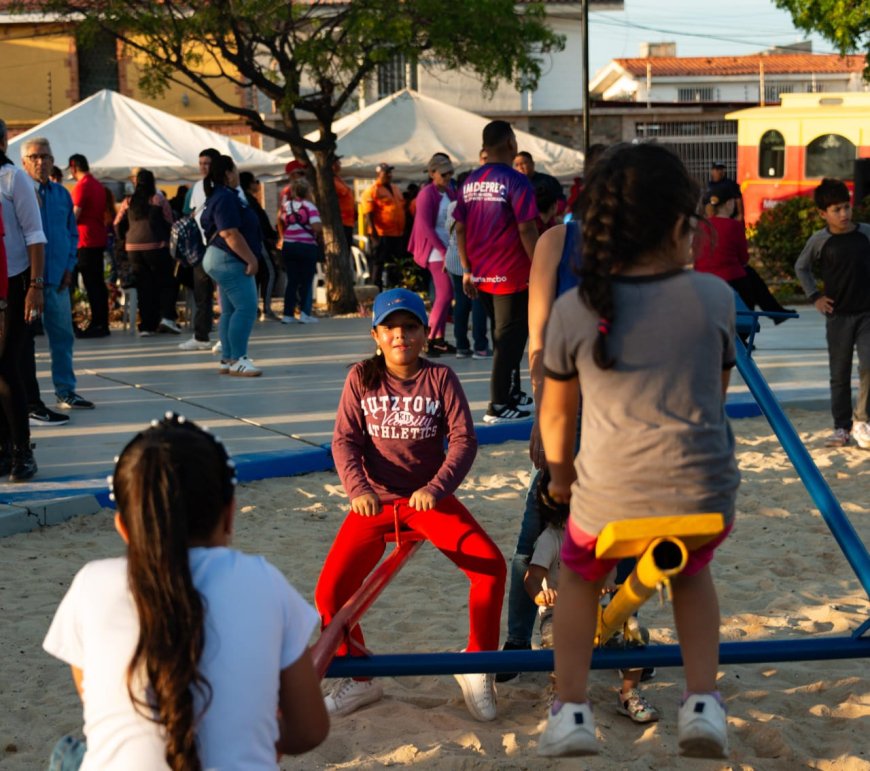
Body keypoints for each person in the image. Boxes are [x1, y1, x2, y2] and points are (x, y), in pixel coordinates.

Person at [536, 143, 739, 759]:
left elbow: (556, 415)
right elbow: (715, 395)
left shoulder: (575, 309)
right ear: (681, 226)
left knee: (580, 576)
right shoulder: (715, 297)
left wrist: (561, 480)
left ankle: (572, 709)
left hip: (611, 498)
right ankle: (702, 701)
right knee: (692, 572)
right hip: (706, 494)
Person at [43, 414, 329, 769]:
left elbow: (96, 704)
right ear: (229, 515)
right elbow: (309, 730)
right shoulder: (264, 582)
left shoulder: (92, 584)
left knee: (68, 753)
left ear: (123, 527)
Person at [315, 288, 506, 722]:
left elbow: (464, 440)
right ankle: (361, 676)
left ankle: (478, 663)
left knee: (491, 567)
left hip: (427, 500)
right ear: (376, 336)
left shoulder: (441, 378)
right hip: (375, 502)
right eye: (390, 328)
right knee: (330, 594)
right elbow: (345, 441)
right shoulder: (361, 378)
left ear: (425, 333)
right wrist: (358, 490)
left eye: (410, 326)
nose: (400, 335)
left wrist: (436, 488)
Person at [454, 120, 538, 423]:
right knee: (509, 341)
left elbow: (459, 228)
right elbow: (527, 228)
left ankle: (513, 393)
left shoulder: (469, 182)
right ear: (511, 144)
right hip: (511, 276)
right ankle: (499, 404)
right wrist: (541, 266)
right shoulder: (517, 181)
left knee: (503, 336)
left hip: (481, 275)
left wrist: (466, 269)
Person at [20, 137, 94, 418]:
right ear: (24, 162)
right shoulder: (18, 192)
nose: (41, 162)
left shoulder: (62, 194)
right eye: (35, 157)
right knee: (21, 344)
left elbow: (71, 233)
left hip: (58, 280)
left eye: (46, 157)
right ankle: (26, 399)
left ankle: (66, 390)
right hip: (26, 283)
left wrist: (69, 266)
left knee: (63, 337)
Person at [794, 177, 870, 449]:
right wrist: (815, 296)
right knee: (839, 373)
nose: (844, 214)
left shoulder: (866, 233)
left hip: (867, 315)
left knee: (869, 366)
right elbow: (801, 267)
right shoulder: (820, 240)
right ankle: (841, 427)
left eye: (846, 207)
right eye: (836, 210)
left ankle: (862, 421)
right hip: (838, 317)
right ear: (822, 214)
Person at [0, 118, 45, 480]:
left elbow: (34, 235)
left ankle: (21, 451)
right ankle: (3, 449)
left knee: (5, 365)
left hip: (14, 283)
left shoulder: (13, 178)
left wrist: (36, 285)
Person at [200, 155, 262, 377]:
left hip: (218, 258)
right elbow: (229, 232)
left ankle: (227, 358)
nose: (237, 174)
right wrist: (251, 259)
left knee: (229, 310)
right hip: (229, 259)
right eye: (235, 170)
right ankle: (238, 359)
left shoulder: (219, 196)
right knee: (246, 308)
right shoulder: (226, 197)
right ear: (228, 173)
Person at [695, 183, 791, 323]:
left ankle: (776, 312)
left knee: (750, 275)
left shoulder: (701, 225)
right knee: (750, 278)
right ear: (729, 203)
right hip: (729, 278)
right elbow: (743, 259)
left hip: (702, 277)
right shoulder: (734, 225)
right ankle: (766, 316)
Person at [114, 169, 177, 337]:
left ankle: (147, 326)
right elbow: (170, 222)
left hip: (133, 249)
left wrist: (125, 239)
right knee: (165, 283)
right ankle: (166, 318)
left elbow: (117, 223)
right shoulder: (158, 199)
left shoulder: (128, 201)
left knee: (144, 286)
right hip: (156, 247)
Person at [408, 153, 457, 356]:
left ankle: (438, 339)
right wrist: (444, 252)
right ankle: (428, 338)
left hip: (447, 246)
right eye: (443, 174)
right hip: (434, 249)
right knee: (445, 294)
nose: (448, 177)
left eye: (450, 173)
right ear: (432, 174)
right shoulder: (426, 194)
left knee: (446, 295)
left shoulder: (450, 192)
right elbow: (426, 227)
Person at [178, 147, 220, 352]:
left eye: (207, 163)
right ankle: (201, 336)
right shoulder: (196, 187)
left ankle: (227, 337)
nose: (203, 167)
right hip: (201, 246)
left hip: (222, 245)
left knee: (225, 294)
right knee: (202, 294)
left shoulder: (225, 186)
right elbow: (189, 211)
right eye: (201, 163)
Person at [68, 153, 110, 338]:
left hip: (85, 240)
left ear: (73, 167)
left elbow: (74, 215)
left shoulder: (82, 186)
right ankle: (101, 322)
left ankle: (97, 324)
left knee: (91, 284)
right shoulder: (98, 185)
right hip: (97, 238)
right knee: (97, 284)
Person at [278, 178, 322, 324]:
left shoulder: (286, 205)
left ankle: (287, 314)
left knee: (292, 281)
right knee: (306, 281)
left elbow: (279, 220)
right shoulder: (310, 206)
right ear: (307, 192)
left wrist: (282, 236)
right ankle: (304, 313)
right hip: (306, 246)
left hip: (289, 245)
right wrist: (320, 228)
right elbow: (316, 227)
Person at [239, 171, 279, 321]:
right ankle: (266, 310)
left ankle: (254, 309)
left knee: (255, 275)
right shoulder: (249, 201)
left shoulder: (244, 199)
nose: (258, 185)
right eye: (256, 182)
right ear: (250, 184)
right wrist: (270, 236)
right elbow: (260, 222)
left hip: (251, 241)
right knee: (271, 272)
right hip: (258, 241)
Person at [360, 162, 405, 290]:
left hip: (396, 233)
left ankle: (393, 289)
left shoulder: (395, 188)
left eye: (390, 172)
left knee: (395, 264)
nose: (389, 175)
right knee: (378, 263)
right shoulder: (372, 190)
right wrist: (374, 234)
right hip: (381, 234)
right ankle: (376, 290)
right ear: (379, 174)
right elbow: (368, 213)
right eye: (386, 173)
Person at [332, 154, 357, 251]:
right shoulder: (329, 181)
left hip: (348, 223)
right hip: (340, 224)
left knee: (347, 250)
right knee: (342, 250)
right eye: (337, 162)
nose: (340, 164)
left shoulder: (338, 179)